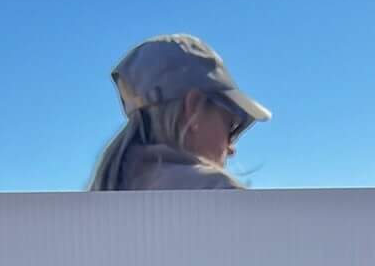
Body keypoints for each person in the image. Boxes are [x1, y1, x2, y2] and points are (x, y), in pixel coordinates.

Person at [88, 34, 269, 192]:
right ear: (194, 109)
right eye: (231, 128)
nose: (231, 150)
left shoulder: (97, 198)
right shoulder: (218, 192)